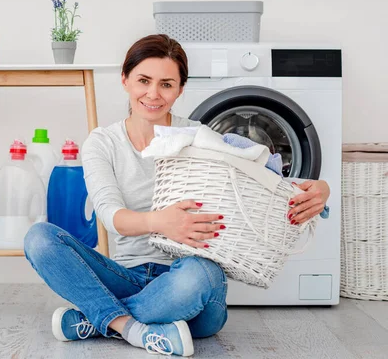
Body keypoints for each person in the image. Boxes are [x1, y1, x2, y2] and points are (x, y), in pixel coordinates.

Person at [24, 34, 331, 357]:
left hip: (190, 286)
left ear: (180, 89)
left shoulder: (198, 136)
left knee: (203, 273)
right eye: (144, 80)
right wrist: (161, 222)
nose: (153, 94)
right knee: (39, 238)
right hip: (125, 276)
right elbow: (111, 216)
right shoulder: (103, 142)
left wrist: (317, 188)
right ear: (125, 79)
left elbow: (254, 176)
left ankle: (102, 317)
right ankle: (133, 329)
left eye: (166, 84)